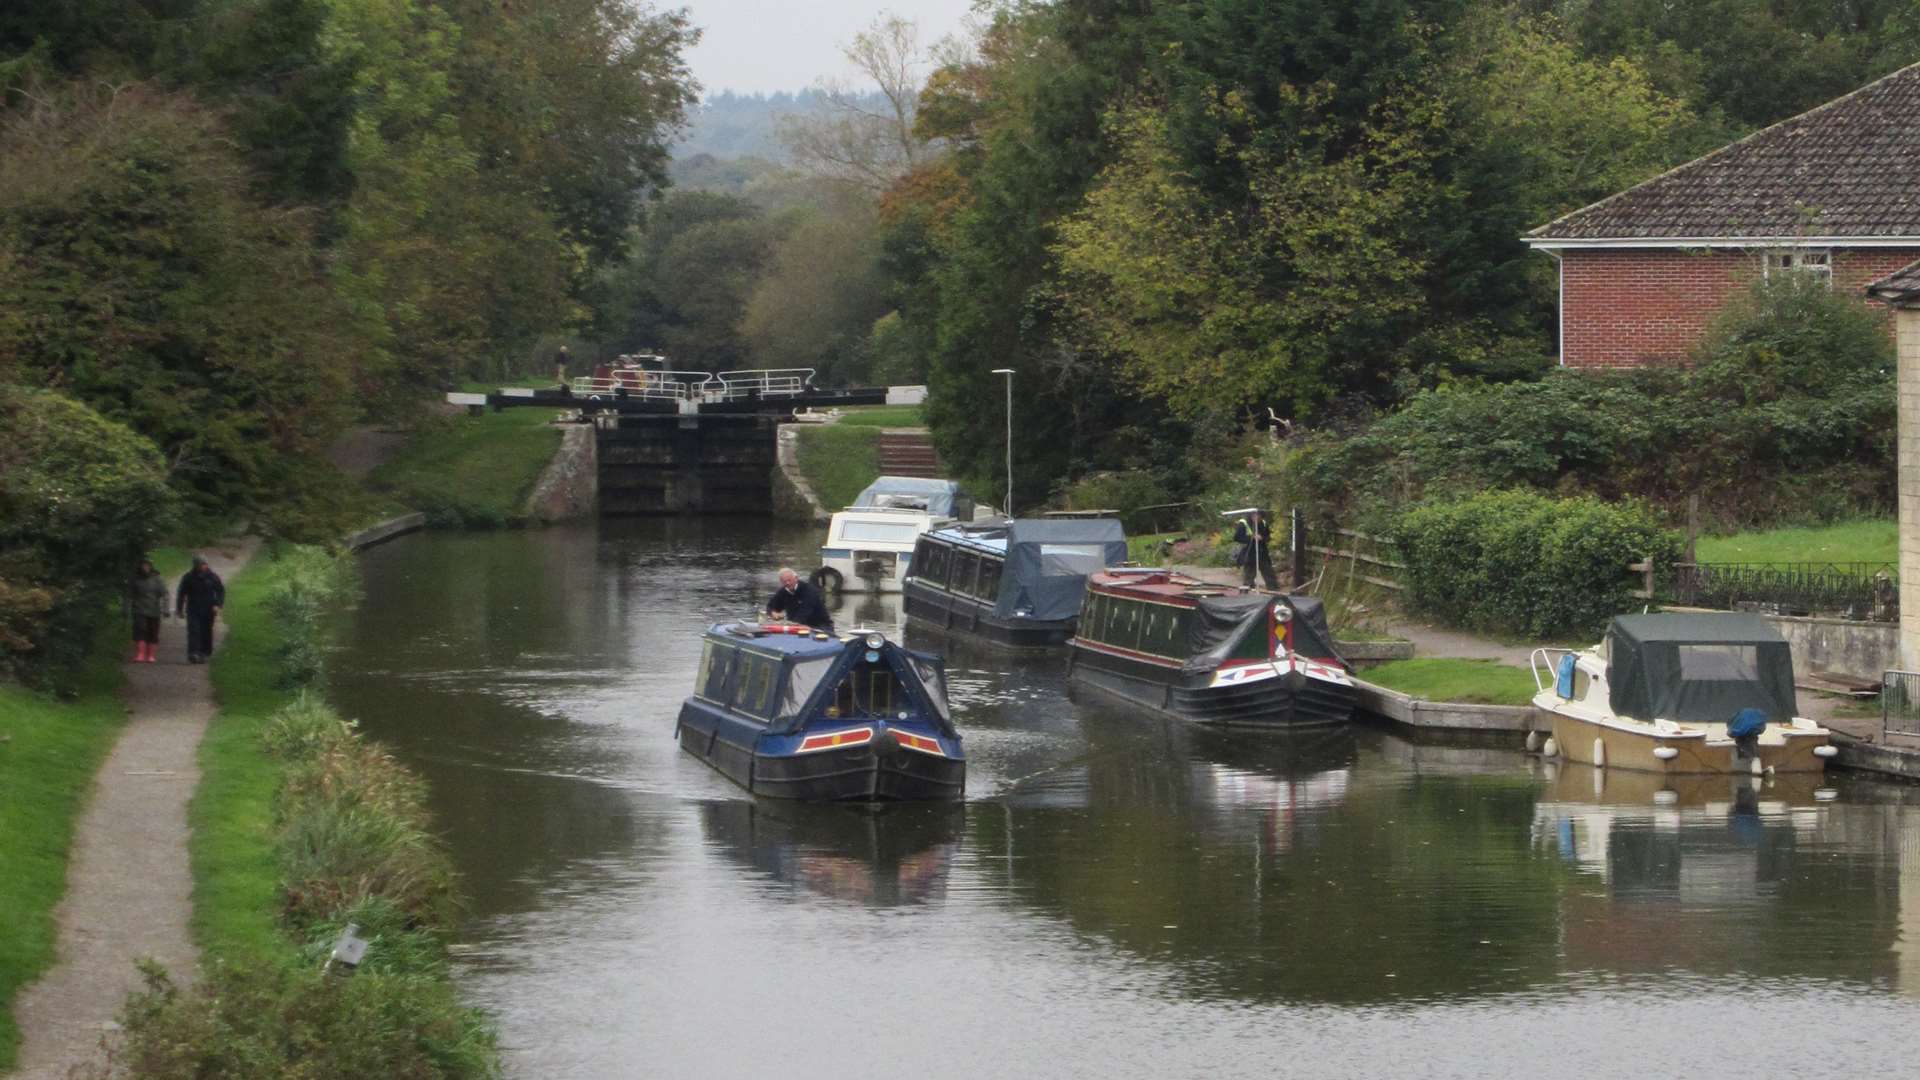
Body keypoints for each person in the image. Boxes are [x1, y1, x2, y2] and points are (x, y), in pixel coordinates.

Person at [175, 555, 226, 664]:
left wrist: (218, 604)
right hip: (193, 609)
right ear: (196, 565)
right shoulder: (188, 577)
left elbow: (220, 591)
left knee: (206, 631)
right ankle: (193, 653)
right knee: (194, 631)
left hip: (208, 609)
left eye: (205, 564)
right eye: (202, 564)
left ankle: (204, 653)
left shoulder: (212, 577)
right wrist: (179, 609)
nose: (204, 566)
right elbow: (181, 594)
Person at [125, 557, 168, 664]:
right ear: (140, 566)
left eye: (147, 565)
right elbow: (128, 595)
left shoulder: (157, 579)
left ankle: (151, 655)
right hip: (139, 610)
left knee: (153, 632)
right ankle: (140, 654)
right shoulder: (134, 579)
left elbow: (165, 594)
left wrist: (166, 609)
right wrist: (125, 608)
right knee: (140, 630)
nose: (145, 567)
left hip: (154, 610)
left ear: (151, 567)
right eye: (143, 565)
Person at [766, 567, 835, 632]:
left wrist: (791, 625)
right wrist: (773, 613)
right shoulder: (782, 592)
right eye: (784, 581)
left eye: (789, 580)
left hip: (820, 626)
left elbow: (804, 612)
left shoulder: (809, 591)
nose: (787, 583)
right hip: (797, 626)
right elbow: (770, 606)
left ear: (796, 578)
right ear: (781, 582)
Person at [1233, 511, 1280, 590]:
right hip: (1249, 552)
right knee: (1249, 574)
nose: (1257, 517)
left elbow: (1268, 536)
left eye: (1259, 516)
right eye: (1255, 515)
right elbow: (1237, 537)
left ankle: (1273, 589)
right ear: (1251, 515)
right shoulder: (1243, 523)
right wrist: (1252, 538)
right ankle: (1248, 590)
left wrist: (1262, 538)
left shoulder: (1263, 523)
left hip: (1262, 552)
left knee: (1268, 571)